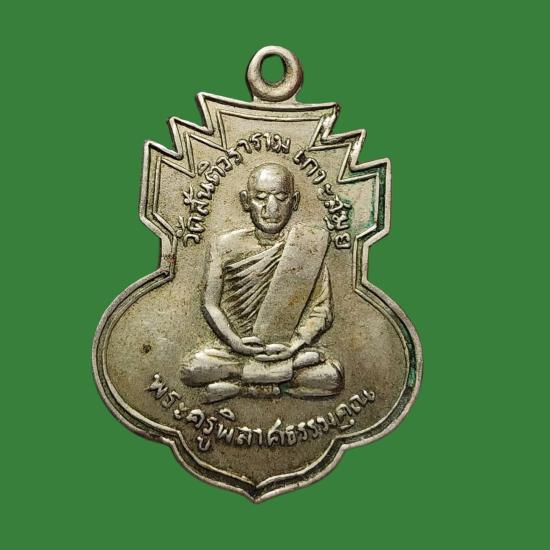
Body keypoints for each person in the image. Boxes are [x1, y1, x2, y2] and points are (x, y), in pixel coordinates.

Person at [181, 163, 343, 401]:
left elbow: (322, 310)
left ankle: (242, 386)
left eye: (281, 198)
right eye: (260, 198)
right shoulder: (224, 245)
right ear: (245, 201)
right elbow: (209, 304)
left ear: (295, 201)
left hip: (286, 351)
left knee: (332, 377)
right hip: (236, 350)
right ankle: (279, 379)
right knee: (192, 369)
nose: (272, 208)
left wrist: (294, 345)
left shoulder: (307, 246)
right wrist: (236, 343)